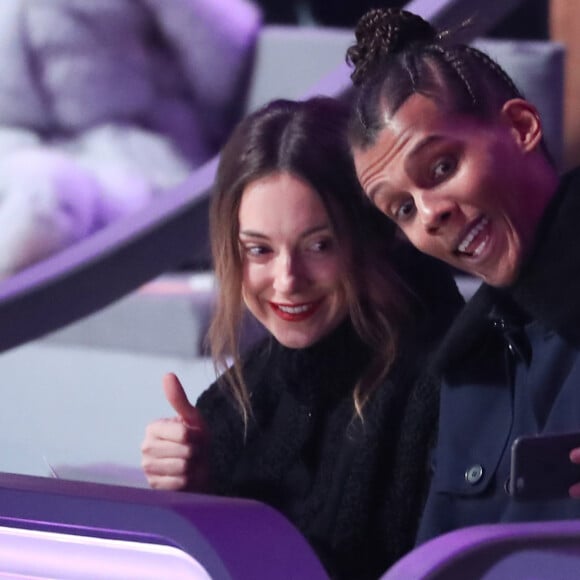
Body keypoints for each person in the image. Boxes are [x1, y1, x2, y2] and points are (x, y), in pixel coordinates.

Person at [141, 96, 463, 578]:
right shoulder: (240, 397)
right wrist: (192, 494)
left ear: (370, 234)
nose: (287, 280)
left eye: (318, 245)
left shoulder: (445, 378)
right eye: (259, 250)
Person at [346, 7, 580, 544]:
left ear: (521, 126)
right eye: (401, 209)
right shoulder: (465, 370)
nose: (430, 214)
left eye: (442, 168)